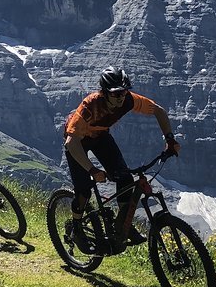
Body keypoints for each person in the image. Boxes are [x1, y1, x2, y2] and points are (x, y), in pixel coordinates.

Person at [63, 66, 181, 248]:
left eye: (124, 92)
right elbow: (71, 143)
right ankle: (77, 228)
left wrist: (170, 139)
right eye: (116, 94)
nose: (121, 97)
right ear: (104, 93)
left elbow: (159, 111)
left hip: (100, 136)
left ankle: (122, 225)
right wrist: (92, 170)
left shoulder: (128, 100)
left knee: (125, 178)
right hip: (78, 141)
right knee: (83, 191)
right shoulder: (90, 106)